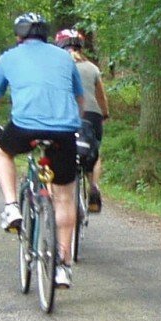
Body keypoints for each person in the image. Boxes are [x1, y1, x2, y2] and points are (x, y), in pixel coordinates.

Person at [0, 12, 88, 288]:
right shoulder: (65, 58)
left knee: (3, 150)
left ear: (19, 36)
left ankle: (11, 207)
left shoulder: (8, 58)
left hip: (25, 128)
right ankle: (63, 266)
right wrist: (72, 124)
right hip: (64, 132)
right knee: (64, 196)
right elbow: (80, 99)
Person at [55, 28, 110, 212]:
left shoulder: (58, 67)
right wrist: (105, 113)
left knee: (59, 149)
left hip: (66, 113)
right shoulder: (92, 68)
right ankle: (93, 186)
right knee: (93, 150)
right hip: (92, 115)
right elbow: (101, 96)